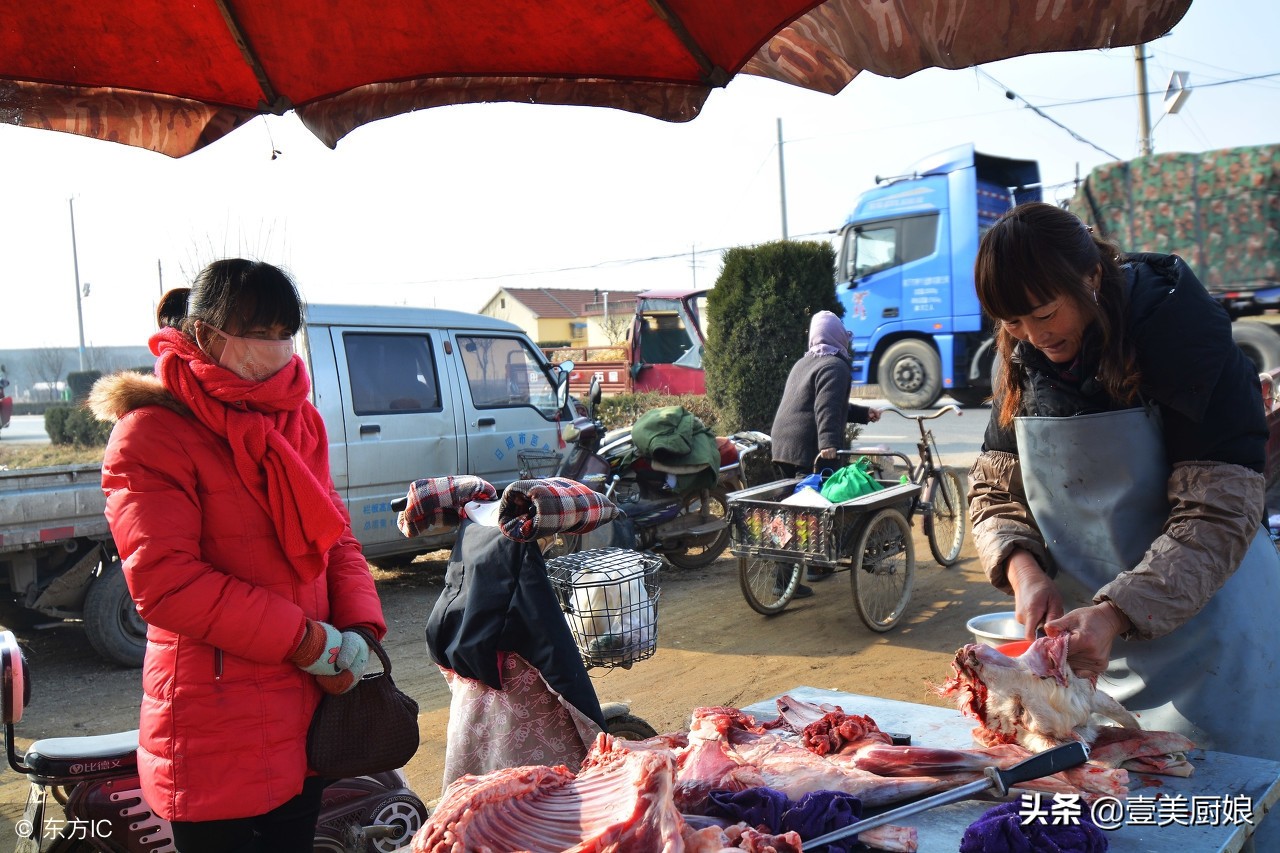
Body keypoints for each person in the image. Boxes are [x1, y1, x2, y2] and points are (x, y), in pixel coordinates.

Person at [967, 201, 1280, 766]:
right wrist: (1024, 568)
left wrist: (1114, 612)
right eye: (1011, 323)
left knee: (1233, 806)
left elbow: (1217, 515)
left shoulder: (1179, 335)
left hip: (1219, 633)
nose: (1033, 337)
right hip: (1100, 649)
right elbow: (995, 490)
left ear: (1089, 278)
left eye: (1044, 314)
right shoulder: (1022, 360)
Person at [89, 259, 387, 852]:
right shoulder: (151, 432)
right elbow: (166, 582)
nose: (276, 349)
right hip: (213, 724)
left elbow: (337, 537)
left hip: (304, 709)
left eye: (284, 333)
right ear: (206, 334)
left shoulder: (299, 421)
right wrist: (306, 640)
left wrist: (358, 626)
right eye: (259, 333)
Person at [770, 310, 882, 596]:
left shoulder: (805, 362)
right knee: (813, 509)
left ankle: (785, 578)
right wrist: (829, 443)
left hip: (783, 445)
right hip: (808, 448)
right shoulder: (835, 365)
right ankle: (815, 566)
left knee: (789, 511)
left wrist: (861, 413)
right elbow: (826, 408)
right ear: (838, 336)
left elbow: (817, 403)